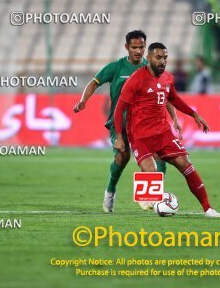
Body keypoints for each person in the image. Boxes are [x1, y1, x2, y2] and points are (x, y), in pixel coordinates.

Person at [73, 31, 181, 213]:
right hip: (120, 123)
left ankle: (154, 196)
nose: (138, 51)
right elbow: (94, 83)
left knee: (160, 156)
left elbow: (166, 95)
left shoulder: (151, 68)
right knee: (122, 157)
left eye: (141, 47)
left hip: (145, 124)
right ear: (126, 48)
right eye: (134, 47)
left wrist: (175, 117)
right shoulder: (116, 67)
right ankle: (110, 190)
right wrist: (84, 100)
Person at [113, 42, 220, 218]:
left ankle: (208, 208)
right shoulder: (135, 79)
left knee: (185, 164)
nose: (162, 61)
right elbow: (119, 109)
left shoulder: (168, 79)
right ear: (148, 58)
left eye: (165, 57)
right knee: (152, 170)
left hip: (163, 132)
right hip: (140, 136)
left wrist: (193, 114)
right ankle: (149, 197)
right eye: (158, 57)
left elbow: (174, 99)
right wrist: (119, 136)